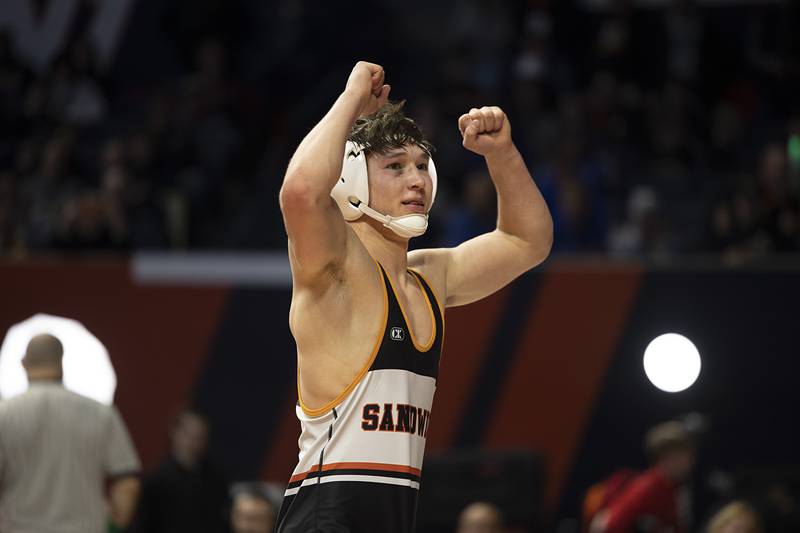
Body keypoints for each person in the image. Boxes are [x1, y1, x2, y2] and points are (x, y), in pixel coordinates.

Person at [275, 61, 553, 532]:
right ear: (353, 180)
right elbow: (301, 192)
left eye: (423, 166)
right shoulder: (334, 268)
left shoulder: (431, 277)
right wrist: (350, 100)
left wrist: (502, 153)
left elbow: (529, 242)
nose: (417, 180)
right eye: (396, 167)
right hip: (324, 519)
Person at [0, 333, 141, 533]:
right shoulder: (100, 414)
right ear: (61, 361)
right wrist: (117, 522)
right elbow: (127, 481)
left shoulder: (4, 415)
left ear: (24, 363)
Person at [130, 409, 229, 533]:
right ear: (174, 432)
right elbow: (141, 523)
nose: (192, 442)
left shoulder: (216, 481)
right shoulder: (157, 480)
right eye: (188, 434)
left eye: (199, 437)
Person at [591, 421, 697, 533]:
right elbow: (611, 525)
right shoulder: (649, 486)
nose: (689, 463)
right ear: (666, 455)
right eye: (683, 456)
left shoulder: (673, 489)